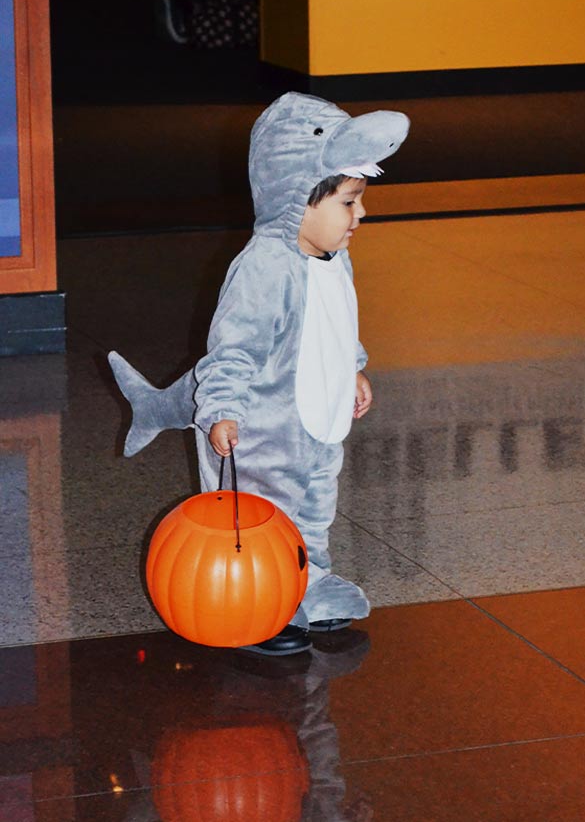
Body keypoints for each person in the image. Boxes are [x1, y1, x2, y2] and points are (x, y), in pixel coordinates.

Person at [109, 92, 410, 656]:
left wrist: (354, 367)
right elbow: (232, 350)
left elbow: (336, 320)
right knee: (263, 518)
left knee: (315, 510)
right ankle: (255, 604)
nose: (360, 215)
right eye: (348, 202)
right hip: (261, 432)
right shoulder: (263, 267)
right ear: (298, 199)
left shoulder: (331, 255)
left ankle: (308, 582)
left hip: (318, 425)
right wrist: (221, 409)